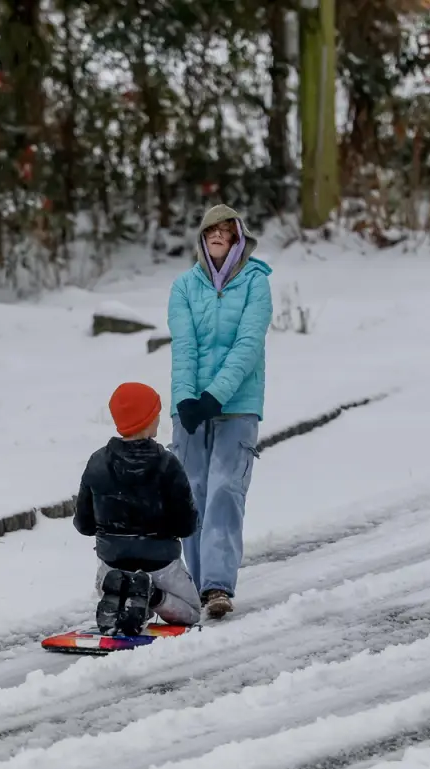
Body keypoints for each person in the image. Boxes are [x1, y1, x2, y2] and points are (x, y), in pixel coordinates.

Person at [167, 204, 273, 619]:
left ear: (236, 238)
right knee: (191, 491)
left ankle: (216, 587)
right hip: (192, 406)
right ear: (202, 236)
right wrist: (186, 400)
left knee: (225, 490)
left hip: (238, 405)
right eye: (211, 229)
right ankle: (191, 584)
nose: (217, 235)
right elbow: (184, 346)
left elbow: (248, 345)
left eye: (225, 230)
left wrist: (216, 395)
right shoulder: (184, 287)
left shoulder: (256, 283)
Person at [73, 381, 203, 636]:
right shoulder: (167, 463)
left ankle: (117, 592)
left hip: (112, 560)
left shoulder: (97, 461)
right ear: (147, 419)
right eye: (155, 412)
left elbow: (84, 524)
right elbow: (186, 525)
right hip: (159, 562)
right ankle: (151, 595)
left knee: (119, 579)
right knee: (192, 612)